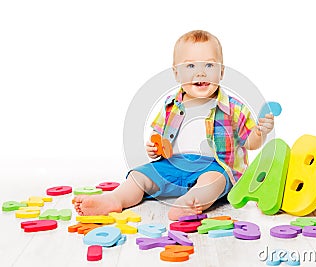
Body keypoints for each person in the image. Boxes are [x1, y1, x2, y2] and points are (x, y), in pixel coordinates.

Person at [73, 30, 274, 220]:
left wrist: (259, 132)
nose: (201, 73)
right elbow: (158, 139)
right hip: (173, 164)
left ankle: (191, 201)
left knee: (213, 180)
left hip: (214, 166)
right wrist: (153, 149)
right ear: (176, 74)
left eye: (209, 66)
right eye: (190, 66)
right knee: (139, 175)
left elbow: (250, 143)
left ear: (221, 72)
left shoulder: (233, 108)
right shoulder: (170, 105)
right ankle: (114, 199)